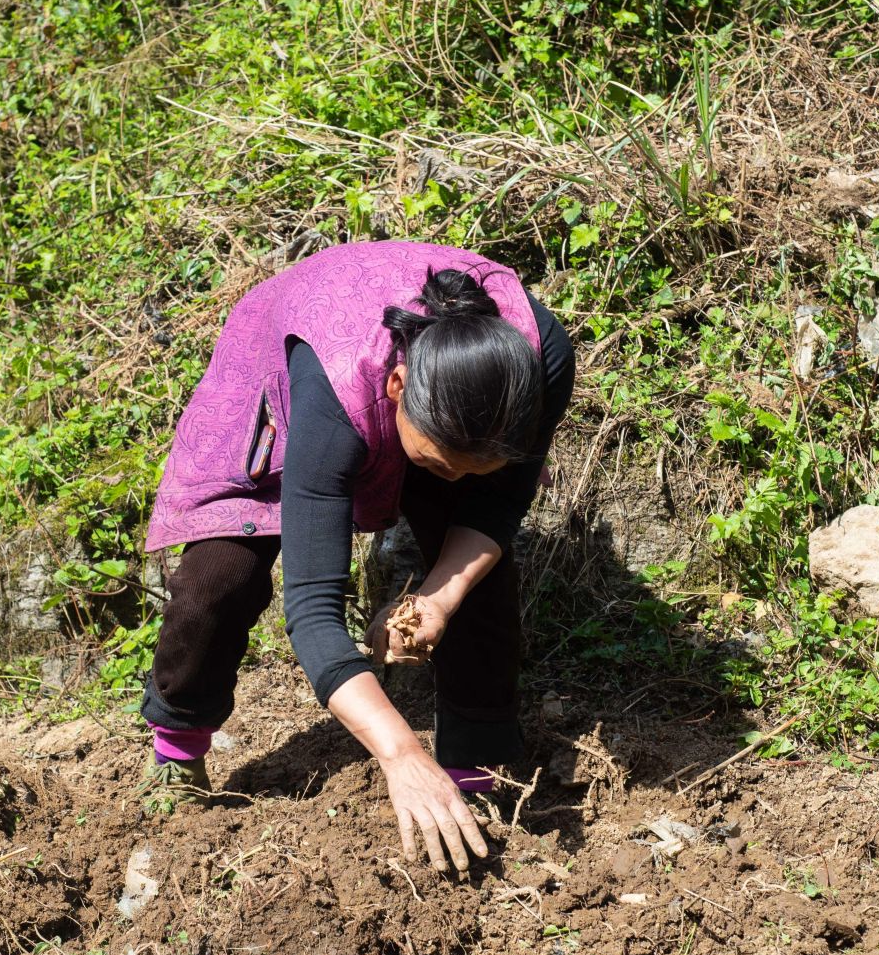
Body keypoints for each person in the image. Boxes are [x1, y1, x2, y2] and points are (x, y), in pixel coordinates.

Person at [139, 240, 574, 874]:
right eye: (437, 464)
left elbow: (492, 509)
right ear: (397, 387)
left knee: (479, 575)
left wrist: (438, 596)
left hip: (428, 409)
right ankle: (179, 748)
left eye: (472, 468)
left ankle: (470, 778)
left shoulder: (539, 367)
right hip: (295, 365)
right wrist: (399, 753)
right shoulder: (332, 391)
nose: (454, 482)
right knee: (221, 579)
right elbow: (314, 611)